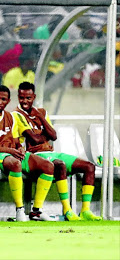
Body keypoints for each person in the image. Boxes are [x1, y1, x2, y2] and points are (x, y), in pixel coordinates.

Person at [14, 82, 102, 221]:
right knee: (59, 165)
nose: (24, 101)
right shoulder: (16, 115)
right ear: (18, 97)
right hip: (35, 155)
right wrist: (45, 135)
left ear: (34, 97)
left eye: (28, 98)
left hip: (51, 151)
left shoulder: (41, 112)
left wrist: (40, 117)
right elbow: (35, 139)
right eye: (21, 97)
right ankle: (67, 210)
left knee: (89, 166)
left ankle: (85, 210)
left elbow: (54, 136)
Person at [0, 85, 55, 222]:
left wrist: (20, 148)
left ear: (8, 101)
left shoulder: (11, 117)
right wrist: (10, 150)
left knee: (48, 166)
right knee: (15, 163)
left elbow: (16, 141)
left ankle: (37, 211)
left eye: (3, 99)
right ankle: (20, 210)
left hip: (11, 154)